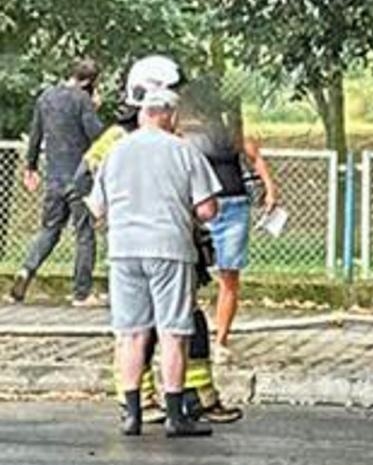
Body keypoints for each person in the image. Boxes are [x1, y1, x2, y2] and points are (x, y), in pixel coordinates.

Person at [87, 56, 220, 438]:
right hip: (169, 249)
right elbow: (208, 209)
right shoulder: (182, 151)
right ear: (168, 108)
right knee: (173, 332)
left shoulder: (115, 151)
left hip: (124, 251)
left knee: (131, 333)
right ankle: (176, 416)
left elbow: (96, 209)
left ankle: (132, 414)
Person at [181, 81, 280, 356]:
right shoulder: (187, 136)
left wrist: (270, 190)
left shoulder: (234, 135)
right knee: (190, 273)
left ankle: (221, 340)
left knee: (230, 274)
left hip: (234, 206)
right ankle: (188, 334)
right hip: (201, 208)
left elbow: (255, 158)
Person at [12, 57, 105, 305]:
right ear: (90, 82)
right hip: (79, 177)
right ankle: (81, 293)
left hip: (54, 176)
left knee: (50, 229)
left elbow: (35, 134)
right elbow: (97, 135)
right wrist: (95, 110)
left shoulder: (46, 97)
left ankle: (26, 270)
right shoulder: (82, 100)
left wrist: (30, 166)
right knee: (84, 234)